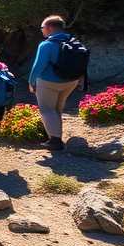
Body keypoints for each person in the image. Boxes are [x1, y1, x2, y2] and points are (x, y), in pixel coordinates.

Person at [28, 15, 83, 151]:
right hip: (71, 81)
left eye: (42, 28)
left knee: (47, 109)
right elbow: (82, 62)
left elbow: (38, 66)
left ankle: (55, 141)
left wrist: (31, 81)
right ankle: (56, 136)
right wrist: (82, 79)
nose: (41, 31)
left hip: (49, 82)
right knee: (57, 108)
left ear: (48, 28)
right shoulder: (74, 41)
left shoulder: (46, 45)